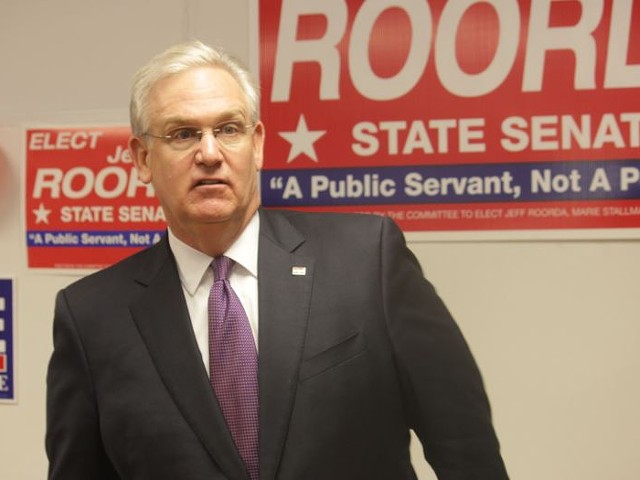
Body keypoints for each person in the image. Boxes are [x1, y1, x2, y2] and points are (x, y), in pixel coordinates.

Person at [46, 40, 509, 480]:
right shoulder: (91, 318)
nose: (210, 154)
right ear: (143, 158)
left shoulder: (367, 261)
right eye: (183, 134)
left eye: (228, 129)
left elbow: (466, 447)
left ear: (258, 143)